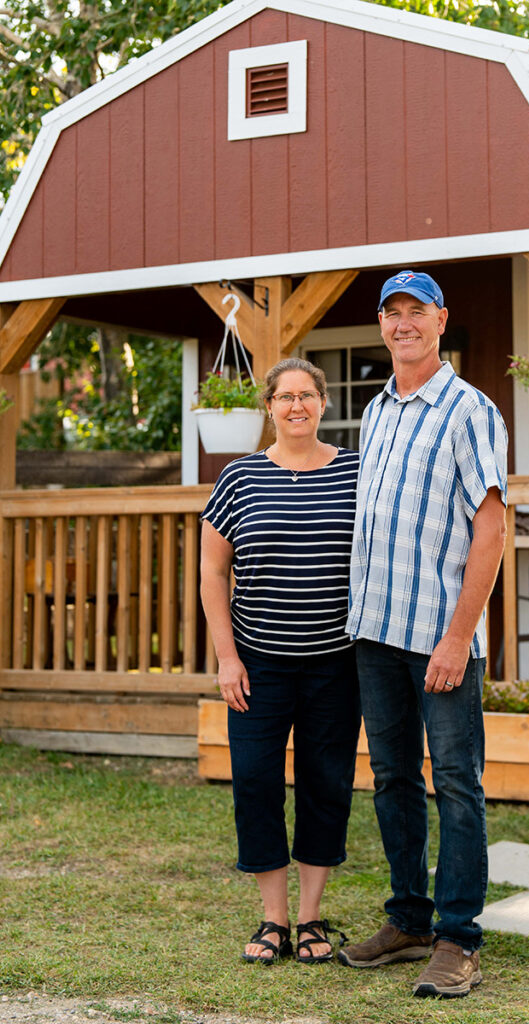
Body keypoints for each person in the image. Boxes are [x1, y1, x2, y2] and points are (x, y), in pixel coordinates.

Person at [339, 270, 508, 998]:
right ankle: (408, 919)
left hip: (436, 636)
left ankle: (458, 938)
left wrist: (455, 636)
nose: (402, 323)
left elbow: (491, 528)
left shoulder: (470, 410)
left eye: (416, 311)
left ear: (441, 320)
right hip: (374, 632)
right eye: (391, 312)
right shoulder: (376, 410)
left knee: (458, 787)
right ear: (382, 325)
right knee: (393, 780)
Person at [200, 357, 361, 965]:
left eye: (307, 396)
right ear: (269, 407)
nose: (297, 406)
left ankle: (313, 917)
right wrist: (226, 658)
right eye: (285, 397)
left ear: (323, 403)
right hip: (257, 666)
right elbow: (214, 571)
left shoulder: (352, 472)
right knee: (258, 784)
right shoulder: (239, 478)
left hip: (335, 664)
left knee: (326, 785)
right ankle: (273, 919)